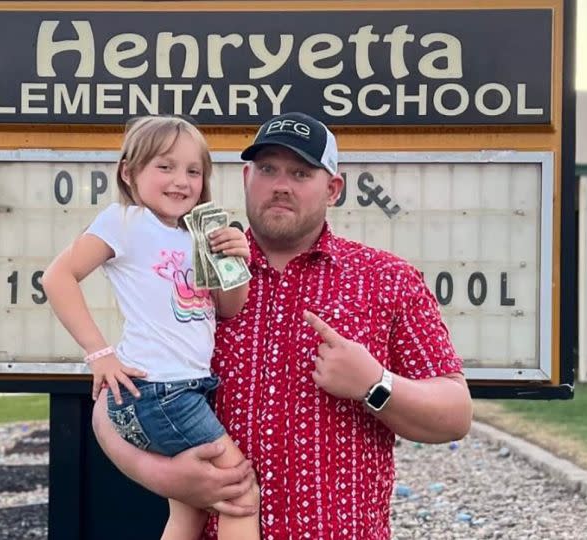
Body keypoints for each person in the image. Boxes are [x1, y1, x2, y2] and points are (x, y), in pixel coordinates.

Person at [92, 112, 473, 539]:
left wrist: (374, 383)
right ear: (245, 177)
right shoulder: (190, 271)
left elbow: (455, 414)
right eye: (268, 169)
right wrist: (163, 476)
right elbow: (115, 405)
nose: (281, 185)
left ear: (333, 189)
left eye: (301, 172)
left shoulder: (386, 278)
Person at [43, 115, 260, 539]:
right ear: (129, 171)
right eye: (165, 167)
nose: (181, 180)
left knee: (190, 514)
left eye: (193, 171)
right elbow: (56, 277)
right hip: (162, 391)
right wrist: (100, 354)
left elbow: (230, 308)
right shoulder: (124, 221)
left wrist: (238, 262)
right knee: (240, 494)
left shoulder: (199, 233)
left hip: (187, 387)